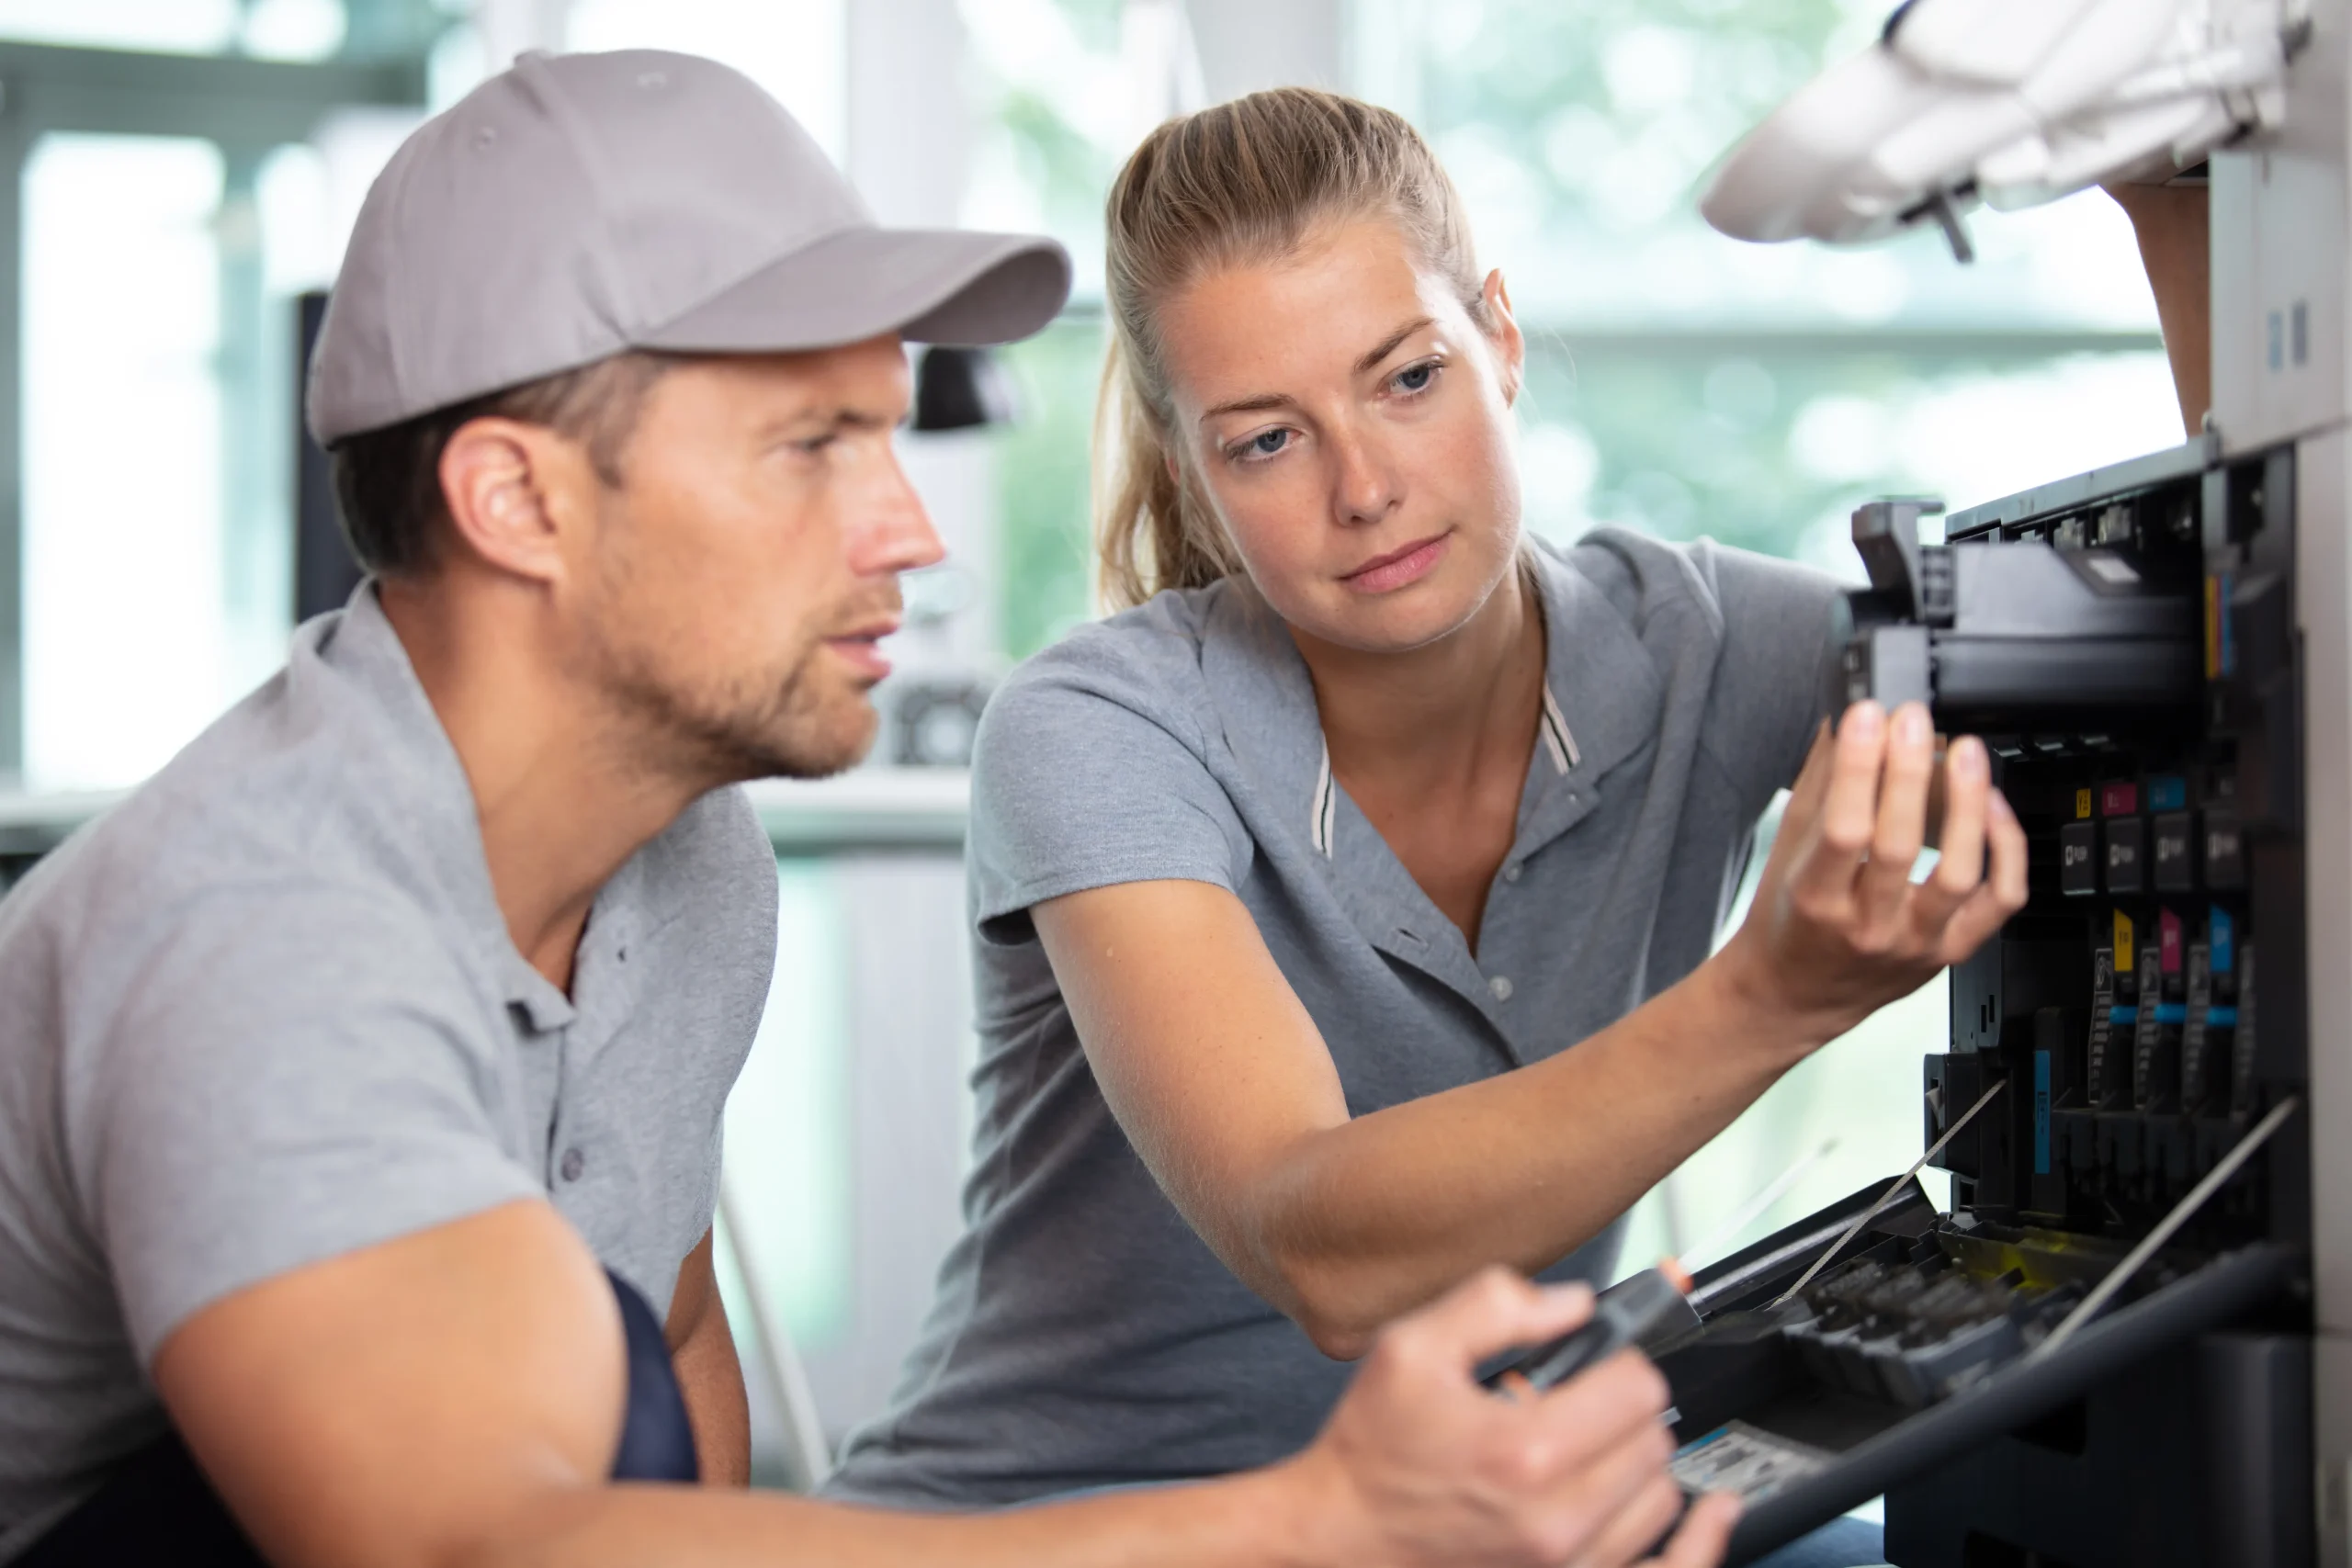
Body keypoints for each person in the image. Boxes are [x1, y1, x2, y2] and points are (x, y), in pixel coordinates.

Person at [0, 51, 1735, 1568]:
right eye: (813, 444)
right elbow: (470, 1547)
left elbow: (672, 1379)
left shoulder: (684, 859)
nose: (913, 531)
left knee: (591, 1344)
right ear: (516, 497)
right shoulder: (260, 932)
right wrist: (1312, 1525)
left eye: (890, 437)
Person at [826, 89, 2211, 1566]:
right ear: (1190, 472)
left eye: (1409, 377)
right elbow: (1322, 1246)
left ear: (1500, 334)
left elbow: (2208, 664)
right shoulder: (1098, 727)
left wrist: (2168, 212)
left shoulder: (1705, 646)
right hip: (1076, 1528)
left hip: (1476, 1515)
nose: (1365, 488)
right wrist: (1767, 996)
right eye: (1268, 441)